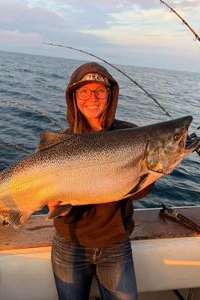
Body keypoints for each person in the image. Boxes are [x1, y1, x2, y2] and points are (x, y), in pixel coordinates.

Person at [49, 62, 152, 300]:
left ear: (110, 94)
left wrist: (149, 168)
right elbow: (59, 207)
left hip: (115, 244)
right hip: (69, 243)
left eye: (99, 90)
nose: (92, 97)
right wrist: (58, 207)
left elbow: (140, 192)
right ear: (73, 97)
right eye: (83, 91)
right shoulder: (63, 142)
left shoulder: (131, 134)